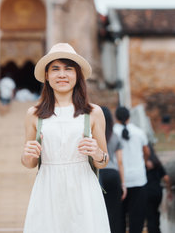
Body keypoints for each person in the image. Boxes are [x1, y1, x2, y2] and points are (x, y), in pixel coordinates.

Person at [22, 43, 111, 233]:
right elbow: (29, 162)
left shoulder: (93, 112)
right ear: (47, 75)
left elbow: (103, 161)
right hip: (48, 188)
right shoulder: (34, 114)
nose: (62, 75)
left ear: (77, 74)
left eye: (68, 69)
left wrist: (96, 153)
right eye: (55, 69)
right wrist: (28, 154)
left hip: (84, 188)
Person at [114, 106, 150, 233]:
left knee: (119, 218)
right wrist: (144, 162)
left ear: (116, 118)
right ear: (129, 117)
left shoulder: (112, 133)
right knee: (137, 217)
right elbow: (147, 151)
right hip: (138, 178)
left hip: (119, 179)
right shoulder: (139, 132)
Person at [99, 106, 127, 233]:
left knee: (99, 210)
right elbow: (120, 161)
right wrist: (124, 184)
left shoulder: (93, 135)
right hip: (113, 174)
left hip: (98, 174)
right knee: (115, 212)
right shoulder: (114, 135)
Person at [146, 142, 171, 233]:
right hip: (157, 191)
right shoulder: (157, 163)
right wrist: (169, 191)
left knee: (150, 216)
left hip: (147, 191)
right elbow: (166, 178)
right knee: (155, 213)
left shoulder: (143, 163)